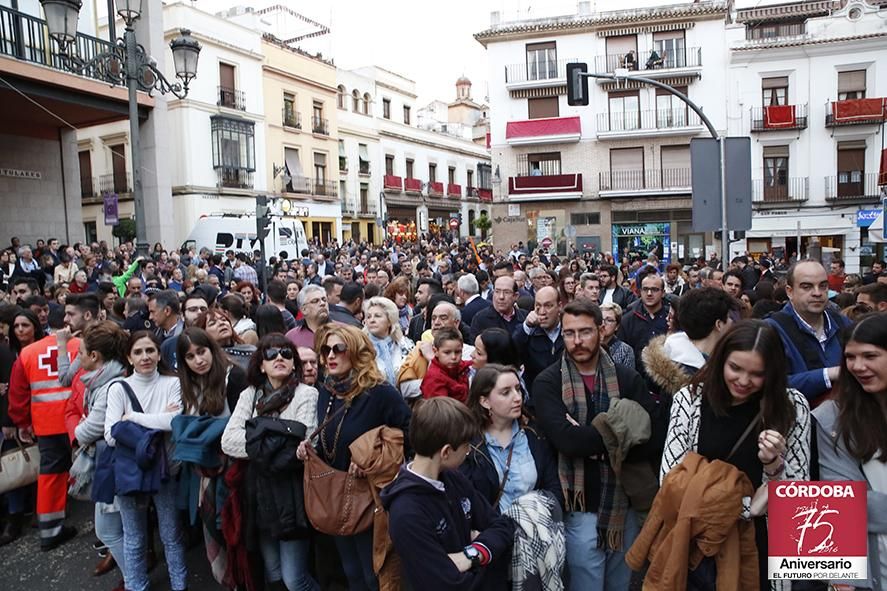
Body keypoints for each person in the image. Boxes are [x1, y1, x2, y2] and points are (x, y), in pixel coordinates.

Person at [661, 320, 810, 591]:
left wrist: (774, 466)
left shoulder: (793, 407)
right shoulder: (691, 399)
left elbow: (798, 499)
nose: (743, 381)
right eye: (735, 368)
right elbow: (671, 483)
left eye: (757, 374)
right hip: (700, 544)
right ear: (720, 361)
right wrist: (746, 508)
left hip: (763, 547)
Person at [533, 299, 658, 590]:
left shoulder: (627, 378)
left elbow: (651, 436)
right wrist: (621, 433)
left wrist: (589, 436)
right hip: (579, 506)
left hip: (623, 502)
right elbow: (566, 440)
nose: (577, 341)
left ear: (602, 330)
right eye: (569, 333)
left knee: (620, 583)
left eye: (585, 332)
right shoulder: (548, 382)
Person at [297, 323, 411, 591]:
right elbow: (333, 440)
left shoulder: (380, 393)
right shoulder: (328, 390)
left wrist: (373, 460)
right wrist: (310, 451)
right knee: (351, 573)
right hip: (338, 497)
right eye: (326, 350)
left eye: (339, 348)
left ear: (357, 352)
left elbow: (410, 435)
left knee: (375, 576)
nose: (330, 356)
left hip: (373, 499)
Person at [380, 397, 516, 590]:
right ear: (445, 452)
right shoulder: (407, 513)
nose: (469, 451)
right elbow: (449, 584)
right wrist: (490, 559)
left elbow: (503, 525)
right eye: (466, 447)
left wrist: (472, 554)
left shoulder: (452, 478)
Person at [221, 334, 319, 591]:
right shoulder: (250, 395)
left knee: (295, 579)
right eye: (271, 354)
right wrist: (280, 438)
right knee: (273, 573)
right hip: (257, 492)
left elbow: (306, 445)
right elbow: (228, 441)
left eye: (286, 354)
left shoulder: (306, 394)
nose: (279, 358)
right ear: (261, 364)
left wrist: (257, 434)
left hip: (291, 493)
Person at [104, 331, 187, 591]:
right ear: (129, 357)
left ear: (159, 353)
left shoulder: (172, 382)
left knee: (171, 534)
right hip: (132, 471)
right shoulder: (118, 387)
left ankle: (179, 584)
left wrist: (134, 420)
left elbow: (174, 423)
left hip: (166, 468)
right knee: (134, 536)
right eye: (138, 352)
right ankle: (136, 585)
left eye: (150, 350)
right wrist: (159, 419)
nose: (145, 357)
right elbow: (109, 435)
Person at [814, 313, 887, 591]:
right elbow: (837, 504)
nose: (858, 366)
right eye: (850, 357)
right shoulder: (830, 417)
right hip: (867, 575)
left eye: (870, 356)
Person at [7, 307, 80, 550]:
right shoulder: (82, 345)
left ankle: (49, 530)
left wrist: (22, 423)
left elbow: (17, 394)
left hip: (45, 424)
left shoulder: (27, 353)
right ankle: (108, 533)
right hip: (79, 422)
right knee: (94, 468)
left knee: (50, 475)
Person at [65, 321, 129, 581]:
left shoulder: (108, 386)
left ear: (94, 356)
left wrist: (82, 426)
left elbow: (86, 431)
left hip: (112, 467)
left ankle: (134, 580)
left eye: (80, 353)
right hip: (109, 465)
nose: (78, 358)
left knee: (109, 532)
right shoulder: (102, 380)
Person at [461, 363, 562, 512]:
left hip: (534, 529)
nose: (517, 398)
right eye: (505, 392)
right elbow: (466, 498)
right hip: (492, 531)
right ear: (485, 401)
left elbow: (553, 487)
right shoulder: (469, 445)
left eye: (518, 389)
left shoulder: (534, 435)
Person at [766, 260, 851, 403]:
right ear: (789, 291)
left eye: (823, 286)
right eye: (807, 287)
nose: (817, 293)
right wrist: (828, 375)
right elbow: (771, 385)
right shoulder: (772, 330)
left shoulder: (844, 323)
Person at [642, 287, 737, 399]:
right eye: (729, 317)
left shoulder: (670, 356)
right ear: (719, 324)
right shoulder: (697, 379)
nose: (732, 322)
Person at [0, 309, 44, 547]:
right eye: (16, 326)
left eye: (24, 325)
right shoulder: (9, 352)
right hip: (16, 418)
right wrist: (10, 422)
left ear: (34, 327)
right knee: (13, 464)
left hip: (41, 413)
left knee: (39, 462)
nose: (20, 330)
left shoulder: (44, 348)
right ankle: (15, 517)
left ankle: (42, 509)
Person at [512, 285, 564, 390]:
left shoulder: (569, 331)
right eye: (538, 306)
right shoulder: (528, 332)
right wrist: (526, 326)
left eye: (548, 306)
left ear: (560, 306)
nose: (542, 312)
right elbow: (511, 352)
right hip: (537, 397)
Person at [619, 273, 670, 370]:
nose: (649, 293)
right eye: (645, 289)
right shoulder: (627, 320)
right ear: (640, 292)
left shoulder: (672, 318)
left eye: (654, 289)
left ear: (663, 293)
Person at [363, 296, 415, 386]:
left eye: (377, 316)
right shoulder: (361, 346)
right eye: (368, 317)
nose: (372, 320)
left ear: (390, 320)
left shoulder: (404, 344)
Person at [470, 275, 528, 342]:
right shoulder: (480, 319)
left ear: (516, 296)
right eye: (497, 291)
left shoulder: (524, 317)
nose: (501, 297)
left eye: (506, 292)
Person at [421, 327, 472, 403]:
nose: (453, 357)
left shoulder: (461, 367)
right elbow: (442, 411)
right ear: (435, 351)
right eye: (447, 352)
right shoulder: (434, 379)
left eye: (458, 352)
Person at [599, 303, 635, 370]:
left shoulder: (625, 351)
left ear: (617, 326)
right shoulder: (589, 345)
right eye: (600, 319)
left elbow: (627, 378)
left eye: (609, 320)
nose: (603, 324)